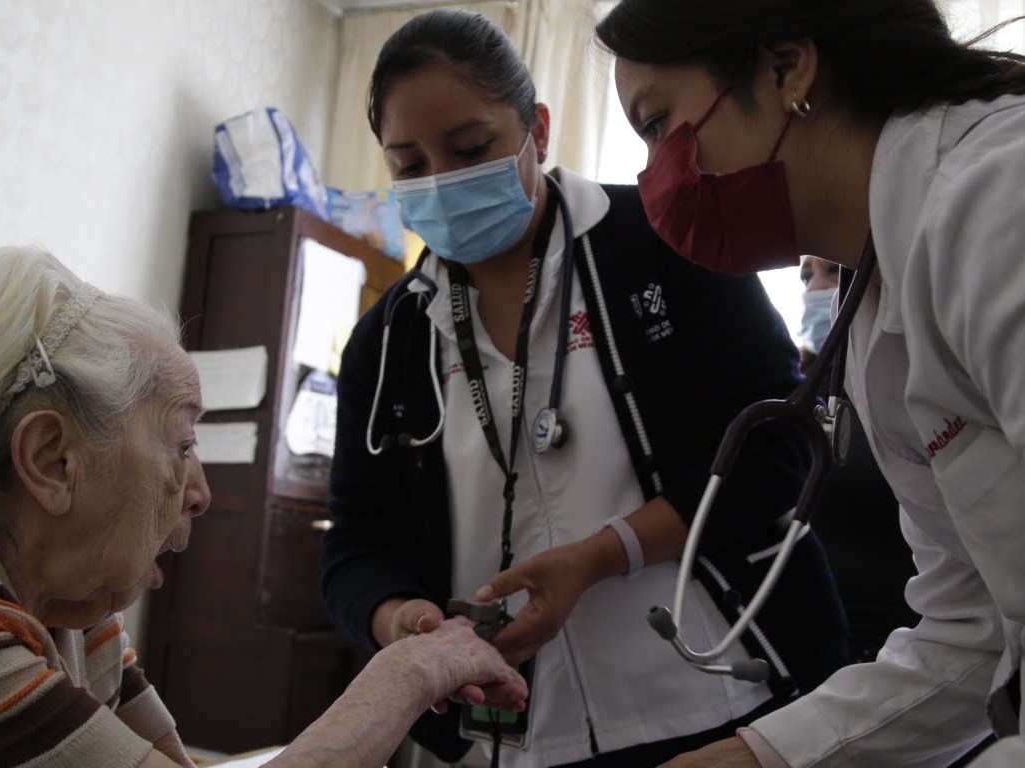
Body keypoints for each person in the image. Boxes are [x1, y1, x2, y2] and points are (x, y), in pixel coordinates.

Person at [596, 1, 1025, 766]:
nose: (655, 177)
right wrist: (760, 757)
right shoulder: (881, 287)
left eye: (658, 124)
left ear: (787, 68)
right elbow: (979, 628)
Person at [0, 246, 525, 768]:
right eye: (181, 444)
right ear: (52, 461)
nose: (201, 491)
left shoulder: (66, 610)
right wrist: (413, 670)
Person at [321, 10, 848, 768]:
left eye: (470, 149)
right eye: (409, 166)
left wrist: (603, 555)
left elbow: (775, 446)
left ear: (537, 130)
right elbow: (357, 543)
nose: (442, 181)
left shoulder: (665, 240)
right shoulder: (387, 342)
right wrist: (400, 619)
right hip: (515, 736)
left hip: (725, 694)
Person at [794, 256, 918, 665]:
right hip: (825, 650)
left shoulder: (914, 382)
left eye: (833, 270)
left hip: (916, 638)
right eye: (807, 277)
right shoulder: (796, 398)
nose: (815, 288)